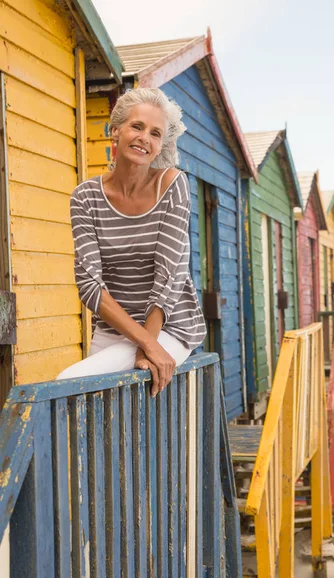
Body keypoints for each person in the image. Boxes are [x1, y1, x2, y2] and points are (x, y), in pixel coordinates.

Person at [57, 88, 207, 396]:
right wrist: (145, 343)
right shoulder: (85, 197)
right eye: (137, 126)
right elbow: (89, 285)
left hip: (169, 327)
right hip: (115, 330)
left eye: (155, 133)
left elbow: (170, 275)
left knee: (67, 383)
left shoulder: (172, 184)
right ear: (115, 130)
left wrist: (149, 344)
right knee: (96, 412)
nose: (144, 138)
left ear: (161, 144)